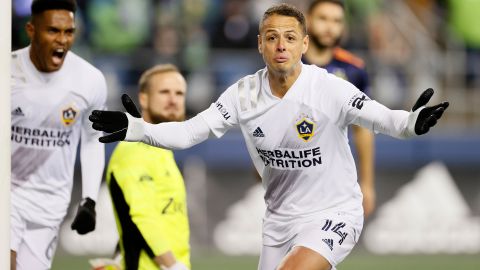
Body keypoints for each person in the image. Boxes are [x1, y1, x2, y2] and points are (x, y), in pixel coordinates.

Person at [89, 3, 449, 270]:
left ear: (304, 45)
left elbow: (382, 118)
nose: (281, 45)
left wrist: (410, 123)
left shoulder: (329, 88)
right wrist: (136, 129)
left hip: (335, 212)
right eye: (273, 38)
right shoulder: (243, 95)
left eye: (290, 38)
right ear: (260, 44)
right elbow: (188, 132)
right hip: (278, 221)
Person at [10, 0, 107, 269]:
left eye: (69, 32)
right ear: (31, 30)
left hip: (50, 204)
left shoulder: (90, 80)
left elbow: (92, 139)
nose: (62, 40)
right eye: (53, 31)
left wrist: (89, 199)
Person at [104, 64, 191, 270]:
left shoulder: (162, 150)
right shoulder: (132, 149)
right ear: (143, 98)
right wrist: (172, 265)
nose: (173, 100)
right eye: (164, 92)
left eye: (179, 93)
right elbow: (142, 216)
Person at [304, 0, 376, 218]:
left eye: (336, 21)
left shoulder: (353, 70)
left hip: (335, 184)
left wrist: (367, 183)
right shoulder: (287, 63)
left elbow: (362, 129)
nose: (329, 27)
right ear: (307, 20)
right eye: (323, 18)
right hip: (290, 177)